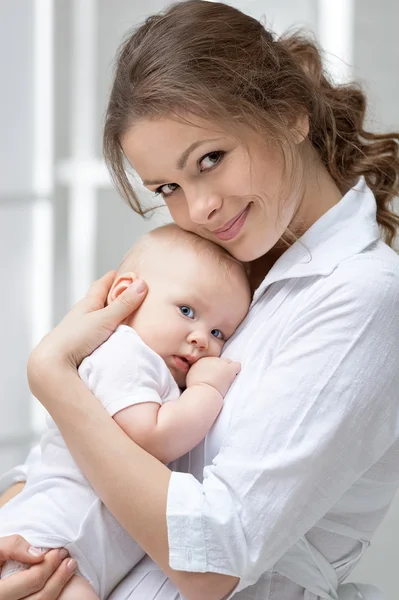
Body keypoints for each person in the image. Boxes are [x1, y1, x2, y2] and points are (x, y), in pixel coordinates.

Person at [0, 0, 399, 598]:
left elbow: (212, 560)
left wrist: (52, 376)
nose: (199, 209)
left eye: (210, 160)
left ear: (290, 115)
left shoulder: (362, 297)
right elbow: (71, 455)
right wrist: (19, 546)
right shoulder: (216, 274)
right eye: (169, 188)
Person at [0, 224, 250, 600]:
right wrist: (206, 389)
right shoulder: (124, 353)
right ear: (125, 294)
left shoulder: (154, 371)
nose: (202, 337)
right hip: (44, 540)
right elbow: (150, 439)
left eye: (219, 333)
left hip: (73, 555)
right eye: (186, 310)